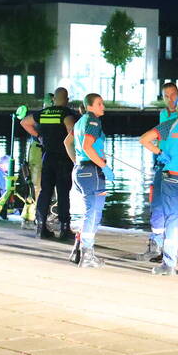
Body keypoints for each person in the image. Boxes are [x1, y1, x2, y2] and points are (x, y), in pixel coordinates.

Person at [135, 82, 178, 262]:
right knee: (158, 206)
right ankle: (165, 248)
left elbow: (145, 139)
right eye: (166, 95)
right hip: (168, 168)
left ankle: (172, 255)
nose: (169, 98)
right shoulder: (165, 115)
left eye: (173, 95)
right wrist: (159, 153)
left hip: (173, 171)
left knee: (175, 215)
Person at [63, 93, 114, 267]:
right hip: (92, 171)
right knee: (93, 213)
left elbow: (67, 142)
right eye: (100, 104)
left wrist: (77, 162)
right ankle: (87, 256)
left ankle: (79, 251)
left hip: (80, 170)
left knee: (85, 212)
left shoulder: (79, 123)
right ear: (90, 106)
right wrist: (104, 166)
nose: (103, 107)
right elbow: (87, 146)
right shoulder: (93, 121)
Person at [20, 88, 77, 240]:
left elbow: (24, 122)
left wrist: (39, 136)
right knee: (63, 193)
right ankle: (65, 228)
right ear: (66, 99)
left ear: (54, 100)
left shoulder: (44, 113)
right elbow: (72, 133)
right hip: (63, 159)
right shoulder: (66, 114)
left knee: (45, 192)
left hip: (47, 157)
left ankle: (41, 227)